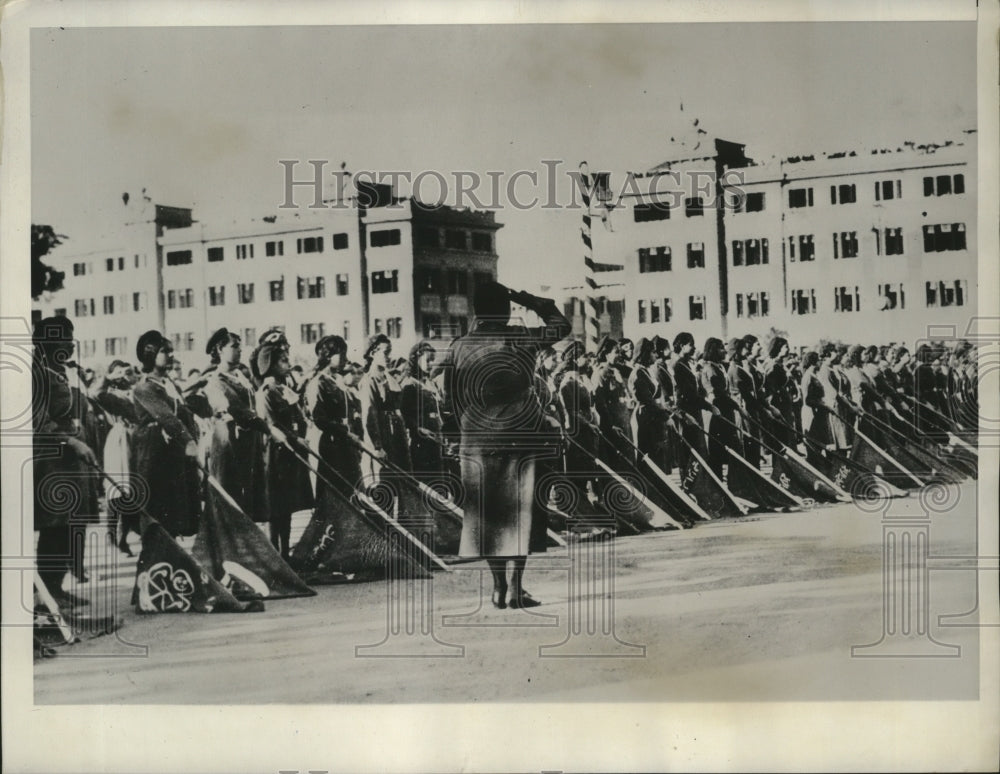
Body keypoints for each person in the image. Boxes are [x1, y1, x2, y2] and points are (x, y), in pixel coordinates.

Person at [440, 281, 571, 609]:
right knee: (521, 513)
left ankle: (498, 588)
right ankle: (516, 588)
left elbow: (449, 399)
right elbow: (561, 325)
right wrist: (525, 297)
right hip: (519, 435)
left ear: (475, 311)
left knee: (488, 516)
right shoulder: (519, 338)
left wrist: (466, 432)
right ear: (506, 309)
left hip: (476, 440)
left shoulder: (458, 346)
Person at [32, 316, 99, 608]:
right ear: (46, 341)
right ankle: (47, 593)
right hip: (52, 462)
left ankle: (58, 587)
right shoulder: (36, 375)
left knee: (72, 524)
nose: (70, 344)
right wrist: (72, 441)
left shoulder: (63, 373)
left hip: (73, 464)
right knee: (56, 526)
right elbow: (38, 421)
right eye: (64, 338)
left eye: (71, 338)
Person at [131, 331, 201, 539]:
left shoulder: (170, 385)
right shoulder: (144, 388)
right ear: (150, 354)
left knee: (174, 518)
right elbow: (166, 417)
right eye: (164, 351)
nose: (170, 355)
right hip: (153, 458)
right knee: (157, 516)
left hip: (172, 456)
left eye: (171, 351)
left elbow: (184, 414)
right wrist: (188, 441)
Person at [255, 342, 314, 558]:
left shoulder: (285, 389)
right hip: (275, 453)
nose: (288, 363)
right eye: (283, 360)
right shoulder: (266, 392)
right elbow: (272, 425)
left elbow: (299, 418)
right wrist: (296, 439)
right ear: (270, 365)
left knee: (287, 506)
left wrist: (301, 437)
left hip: (291, 453)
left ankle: (285, 553)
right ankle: (274, 555)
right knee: (275, 507)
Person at [202, 328, 267, 522]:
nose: (240, 350)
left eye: (240, 346)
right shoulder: (216, 379)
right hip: (230, 443)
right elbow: (232, 408)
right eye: (234, 346)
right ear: (220, 349)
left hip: (249, 441)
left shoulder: (240, 375)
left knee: (249, 499)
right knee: (232, 497)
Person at [95, 359, 141, 556]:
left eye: (128, 372)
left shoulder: (137, 390)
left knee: (135, 490)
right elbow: (96, 393)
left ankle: (124, 536)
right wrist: (108, 378)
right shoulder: (111, 395)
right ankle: (113, 536)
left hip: (138, 439)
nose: (125, 377)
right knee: (118, 489)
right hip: (121, 441)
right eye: (120, 373)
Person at [400, 340, 445, 476]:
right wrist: (418, 429)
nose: (431, 364)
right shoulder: (410, 385)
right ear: (416, 359)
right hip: (421, 440)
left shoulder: (430, 384)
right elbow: (405, 413)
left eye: (433, 360)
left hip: (436, 436)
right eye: (428, 360)